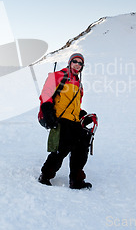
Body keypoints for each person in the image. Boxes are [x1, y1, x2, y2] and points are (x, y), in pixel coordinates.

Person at [38, 53, 93, 189]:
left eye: (80, 63)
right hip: (60, 119)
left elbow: (75, 105)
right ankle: (45, 176)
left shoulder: (79, 84)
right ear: (69, 62)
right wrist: (48, 112)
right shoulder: (56, 76)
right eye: (75, 61)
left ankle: (76, 180)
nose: (77, 65)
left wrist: (82, 115)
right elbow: (46, 96)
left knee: (81, 148)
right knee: (61, 149)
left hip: (73, 121)